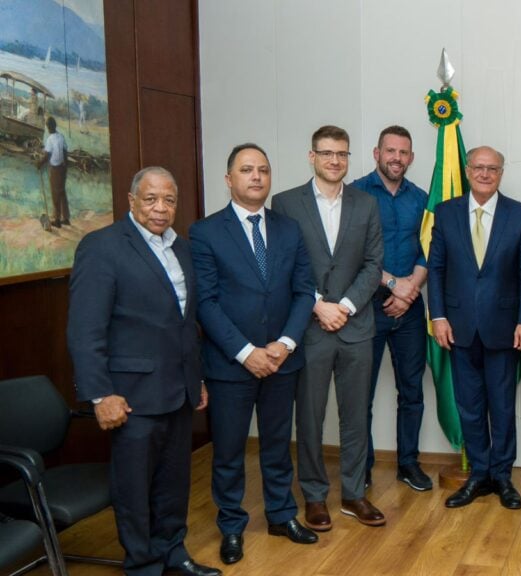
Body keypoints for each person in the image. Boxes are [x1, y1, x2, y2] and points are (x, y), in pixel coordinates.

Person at [67, 167, 221, 576]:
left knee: (174, 484)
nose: (160, 208)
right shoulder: (102, 247)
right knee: (134, 490)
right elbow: (85, 329)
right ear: (131, 201)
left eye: (168, 200)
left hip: (179, 390)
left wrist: (198, 377)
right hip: (130, 395)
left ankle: (174, 554)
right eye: (150, 199)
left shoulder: (182, 248)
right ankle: (143, 565)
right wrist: (100, 395)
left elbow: (186, 323)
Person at [190, 144, 318, 566]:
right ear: (229, 180)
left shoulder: (289, 229)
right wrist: (246, 353)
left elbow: (303, 292)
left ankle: (282, 515)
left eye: (263, 169)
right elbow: (205, 303)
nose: (257, 177)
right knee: (227, 451)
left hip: (283, 360)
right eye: (247, 170)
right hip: (231, 364)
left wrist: (285, 344)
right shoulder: (205, 233)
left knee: (279, 446)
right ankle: (231, 527)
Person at [272, 126, 385, 529]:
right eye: (327, 153)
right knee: (311, 417)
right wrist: (319, 307)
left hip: (357, 327)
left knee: (356, 416)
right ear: (311, 156)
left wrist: (347, 306)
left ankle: (354, 494)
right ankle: (315, 496)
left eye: (342, 153)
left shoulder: (367, 203)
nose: (335, 160)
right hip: (311, 328)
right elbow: (283, 265)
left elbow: (374, 264)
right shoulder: (285, 204)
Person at [427, 146, 521, 510]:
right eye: (479, 167)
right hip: (457, 328)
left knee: (502, 406)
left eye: (493, 169)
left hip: (505, 329)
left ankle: (502, 476)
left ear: (501, 173)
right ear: (468, 170)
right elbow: (437, 269)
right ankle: (479, 474)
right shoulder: (445, 213)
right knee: (470, 406)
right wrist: (438, 317)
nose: (485, 174)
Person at [352, 125, 433, 491]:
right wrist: (391, 284)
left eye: (403, 152)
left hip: (410, 310)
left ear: (411, 158)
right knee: (361, 395)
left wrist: (409, 291)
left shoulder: (421, 198)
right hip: (367, 308)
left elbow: (428, 249)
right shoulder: (355, 194)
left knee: (412, 392)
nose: (396, 158)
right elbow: (352, 252)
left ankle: (408, 464)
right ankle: (362, 467)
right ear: (376, 153)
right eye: (390, 151)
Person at [37, 116, 70, 228]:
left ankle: (57, 220)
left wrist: (39, 164)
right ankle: (65, 218)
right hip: (62, 168)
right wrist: (65, 166)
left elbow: (46, 156)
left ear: (48, 127)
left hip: (55, 169)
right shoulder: (61, 136)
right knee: (62, 193)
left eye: (47, 126)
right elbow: (65, 152)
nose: (47, 128)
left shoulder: (50, 139)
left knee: (55, 194)